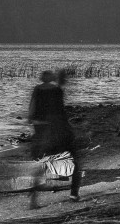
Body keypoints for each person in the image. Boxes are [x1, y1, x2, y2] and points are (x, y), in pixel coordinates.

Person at [27, 70, 82, 208]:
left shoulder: (37, 90)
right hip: (59, 131)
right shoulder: (57, 90)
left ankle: (33, 197)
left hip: (44, 131)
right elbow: (61, 112)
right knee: (75, 161)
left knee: (41, 164)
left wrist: (36, 127)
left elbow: (31, 113)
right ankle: (74, 194)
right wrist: (71, 129)